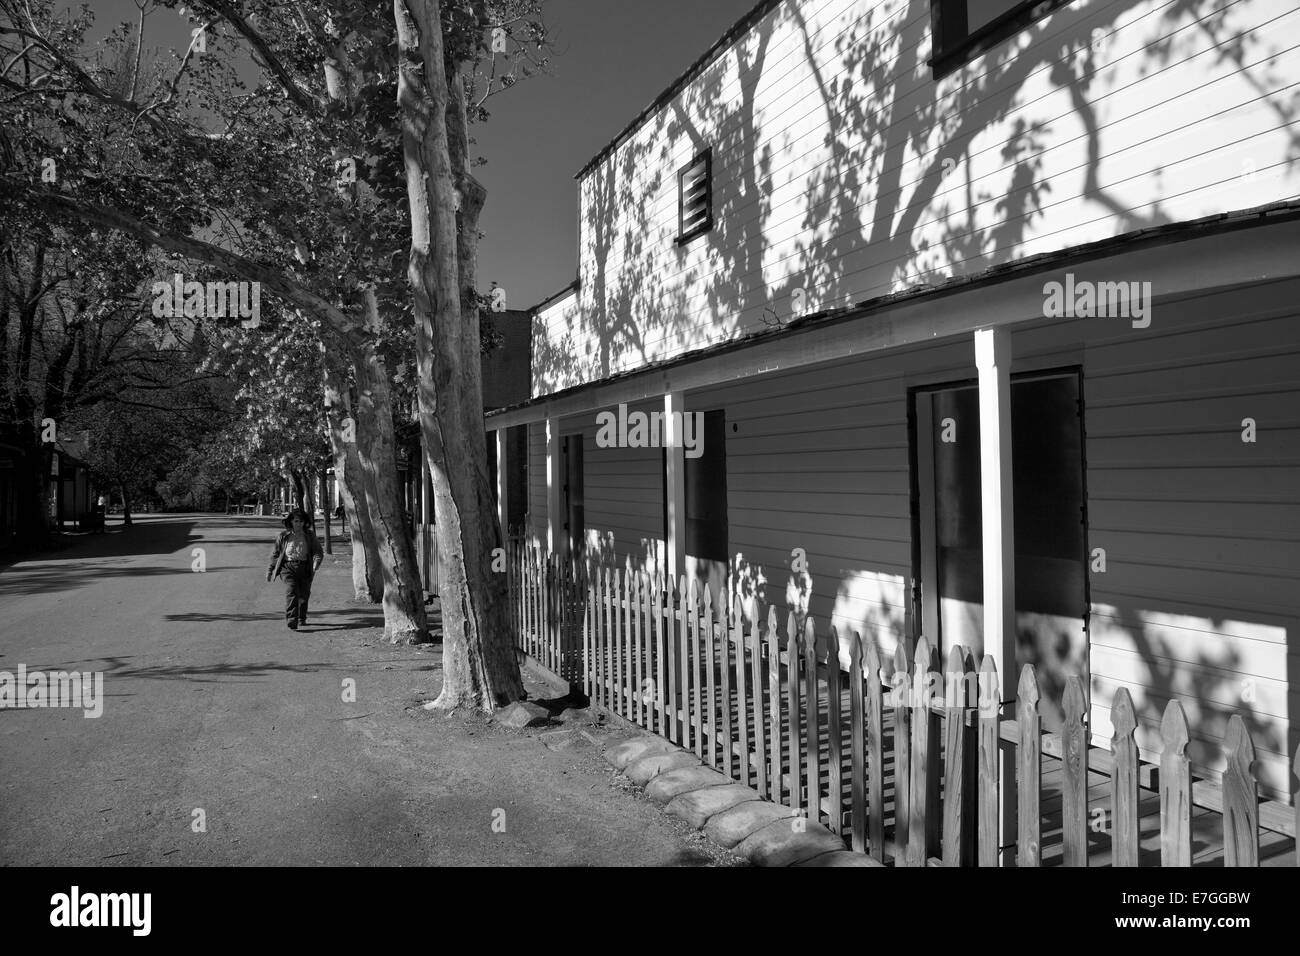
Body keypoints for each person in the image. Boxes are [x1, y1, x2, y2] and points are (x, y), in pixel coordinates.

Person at [266, 508, 323, 630]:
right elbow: (275, 554)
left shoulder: (309, 535)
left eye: (301, 521)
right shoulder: (283, 536)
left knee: (303, 595)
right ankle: (292, 619)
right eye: (296, 521)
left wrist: (316, 563)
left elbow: (318, 551)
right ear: (291, 521)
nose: (299, 524)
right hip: (287, 568)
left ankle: (301, 617)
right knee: (291, 592)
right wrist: (270, 570)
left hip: (305, 568)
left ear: (305, 522)